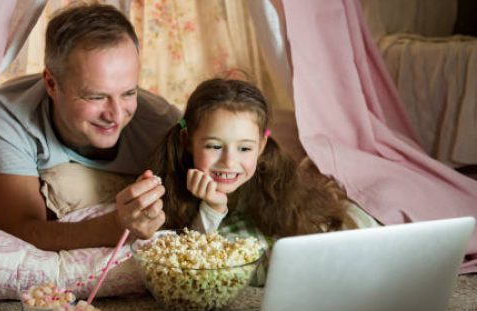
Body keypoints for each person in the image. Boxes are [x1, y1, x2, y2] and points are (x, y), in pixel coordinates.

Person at [0, 3, 181, 251]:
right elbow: (21, 228)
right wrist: (118, 226)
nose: (116, 115)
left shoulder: (164, 124)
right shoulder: (7, 113)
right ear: (51, 84)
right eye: (96, 97)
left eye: (129, 93)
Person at [151, 78, 360, 242]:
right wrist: (212, 208)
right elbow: (186, 260)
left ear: (261, 146)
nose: (229, 161)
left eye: (244, 148)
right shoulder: (166, 187)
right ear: (187, 141)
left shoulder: (278, 184)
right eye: (214, 146)